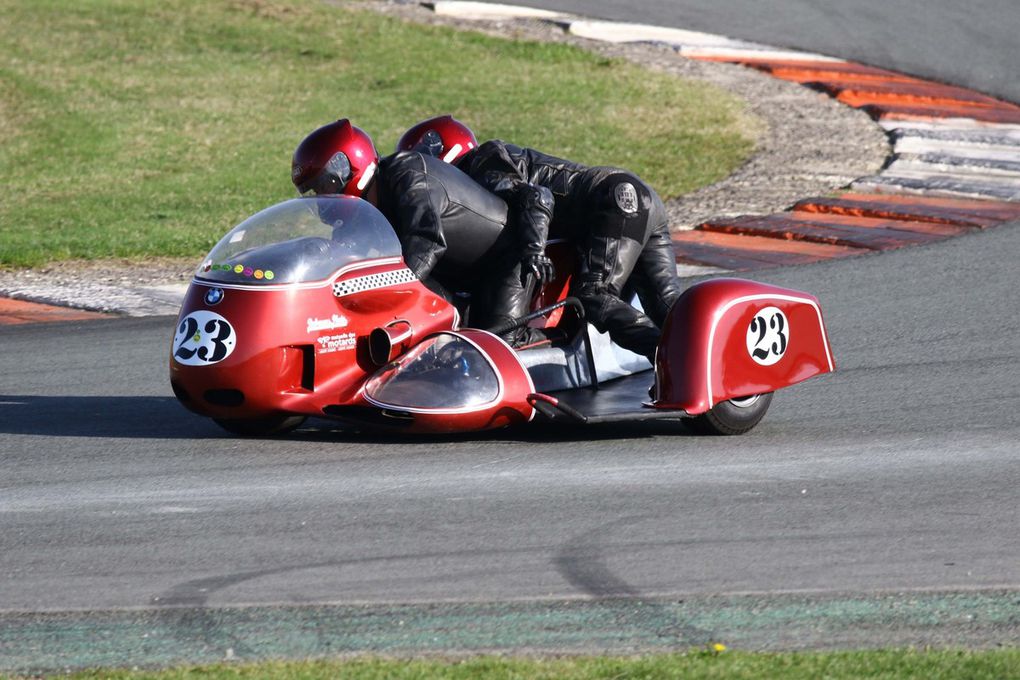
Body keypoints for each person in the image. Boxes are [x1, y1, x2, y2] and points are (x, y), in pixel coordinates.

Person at [398, 116, 683, 363]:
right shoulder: (495, 160)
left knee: (595, 295)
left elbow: (537, 197)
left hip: (614, 200)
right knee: (668, 307)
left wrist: (534, 251)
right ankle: (703, 357)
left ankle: (671, 360)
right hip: (635, 197)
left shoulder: (482, 161)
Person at [290, 119, 554, 346]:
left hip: (506, 257)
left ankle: (561, 349)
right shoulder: (365, 208)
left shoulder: (409, 174)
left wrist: (389, 296)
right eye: (312, 191)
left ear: (348, 167)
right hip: (457, 271)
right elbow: (345, 258)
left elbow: (426, 242)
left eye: (323, 185)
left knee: (498, 344)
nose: (319, 198)